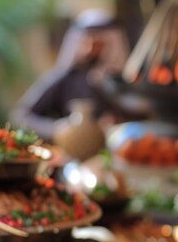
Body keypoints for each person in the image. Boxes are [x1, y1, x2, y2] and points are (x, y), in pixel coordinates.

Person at [10, 8, 130, 143]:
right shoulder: (64, 78)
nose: (90, 48)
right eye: (86, 40)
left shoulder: (126, 83)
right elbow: (21, 116)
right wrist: (59, 129)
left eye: (97, 43)